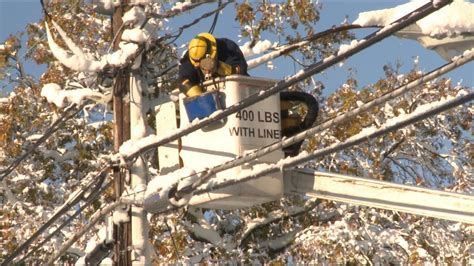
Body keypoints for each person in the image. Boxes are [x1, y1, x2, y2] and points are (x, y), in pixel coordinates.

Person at [178, 32, 248, 97]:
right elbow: (183, 81)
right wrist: (201, 99)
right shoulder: (189, 58)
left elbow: (240, 71)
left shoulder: (227, 48)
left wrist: (218, 67)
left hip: (239, 93)